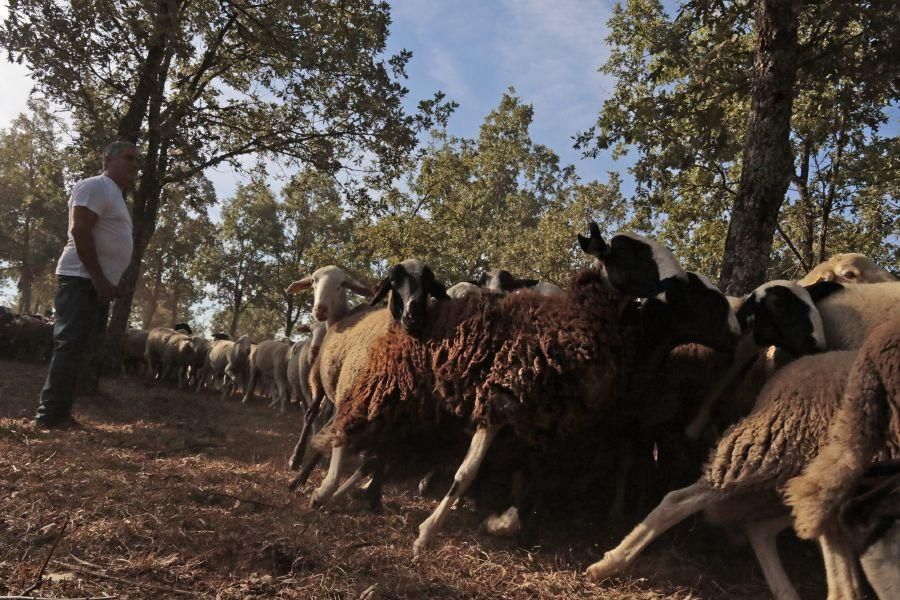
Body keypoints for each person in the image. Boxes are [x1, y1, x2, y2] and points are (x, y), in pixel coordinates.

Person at [34, 141, 140, 429]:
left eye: (138, 161)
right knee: (70, 346)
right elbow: (79, 229)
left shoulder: (116, 196)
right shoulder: (96, 186)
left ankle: (60, 413)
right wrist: (98, 277)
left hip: (95, 284)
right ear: (107, 159)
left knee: (79, 349)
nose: (135, 165)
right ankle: (49, 416)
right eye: (129, 158)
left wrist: (109, 282)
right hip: (80, 279)